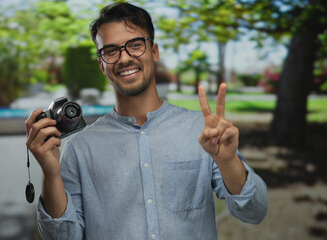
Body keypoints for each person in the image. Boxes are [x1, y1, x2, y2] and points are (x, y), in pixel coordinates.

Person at [25, 2, 268, 239]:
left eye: (135, 45)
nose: (124, 58)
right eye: (111, 51)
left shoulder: (202, 132)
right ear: (102, 65)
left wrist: (227, 162)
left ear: (154, 51)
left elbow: (255, 211)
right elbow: (63, 237)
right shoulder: (80, 147)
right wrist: (51, 174)